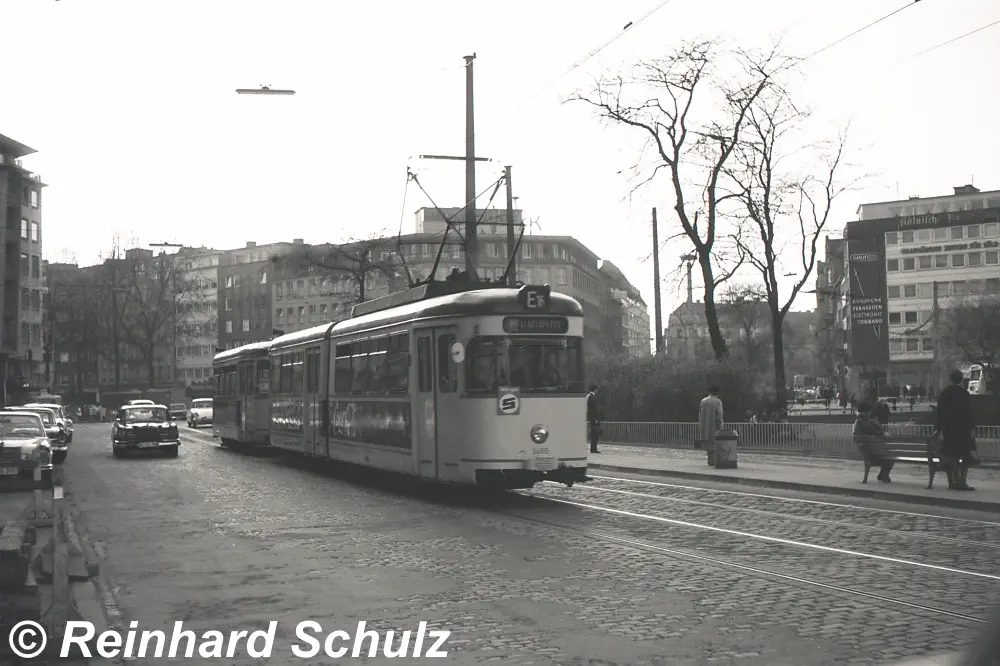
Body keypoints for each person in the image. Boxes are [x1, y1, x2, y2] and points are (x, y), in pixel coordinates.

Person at [935, 369, 976, 491]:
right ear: (961, 379)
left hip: (950, 430)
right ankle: (963, 481)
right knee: (966, 455)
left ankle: (956, 481)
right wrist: (972, 428)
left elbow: (939, 413)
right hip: (963, 430)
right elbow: (970, 413)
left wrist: (938, 429)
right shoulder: (964, 394)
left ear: (950, 379)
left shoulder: (945, 394)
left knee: (953, 456)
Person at [853, 401, 894, 482]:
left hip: (866, 453)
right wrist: (877, 424)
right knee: (891, 458)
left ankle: (882, 475)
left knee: (888, 455)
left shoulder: (857, 424)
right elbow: (880, 433)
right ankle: (884, 475)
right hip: (874, 454)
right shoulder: (868, 425)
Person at [698, 386, 723, 466]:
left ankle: (710, 459)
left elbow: (700, 413)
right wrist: (720, 425)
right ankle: (713, 460)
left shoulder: (703, 401)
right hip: (714, 425)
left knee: (708, 442)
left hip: (704, 424)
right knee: (715, 442)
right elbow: (719, 414)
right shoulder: (717, 402)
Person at [586, 384, 600, 454]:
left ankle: (593, 448)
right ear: (595, 389)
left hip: (591, 418)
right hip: (594, 418)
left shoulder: (588, 396)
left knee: (593, 434)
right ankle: (594, 448)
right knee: (595, 434)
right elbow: (594, 409)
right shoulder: (592, 397)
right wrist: (596, 418)